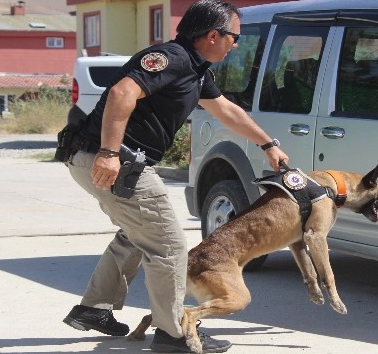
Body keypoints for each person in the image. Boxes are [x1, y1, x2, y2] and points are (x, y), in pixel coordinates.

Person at [61, 1, 288, 352]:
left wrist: (268, 144)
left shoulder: (195, 70)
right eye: (234, 37)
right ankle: (174, 334)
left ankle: (93, 308)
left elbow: (226, 110)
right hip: (113, 160)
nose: (236, 44)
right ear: (213, 35)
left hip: (102, 159)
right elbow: (123, 92)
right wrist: (108, 153)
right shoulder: (172, 58)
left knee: (137, 234)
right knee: (169, 246)